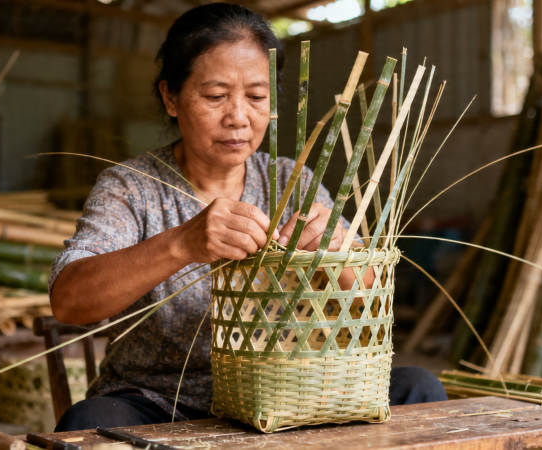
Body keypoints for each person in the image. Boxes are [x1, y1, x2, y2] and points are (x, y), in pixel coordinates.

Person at [49, 3, 446, 432]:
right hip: (164, 405)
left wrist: (340, 252)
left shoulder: (292, 181)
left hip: (287, 396)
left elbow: (367, 294)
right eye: (216, 96)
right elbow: (69, 301)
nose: (238, 117)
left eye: (257, 97)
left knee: (419, 389)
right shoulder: (132, 188)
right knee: (88, 422)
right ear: (171, 97)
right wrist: (182, 243)